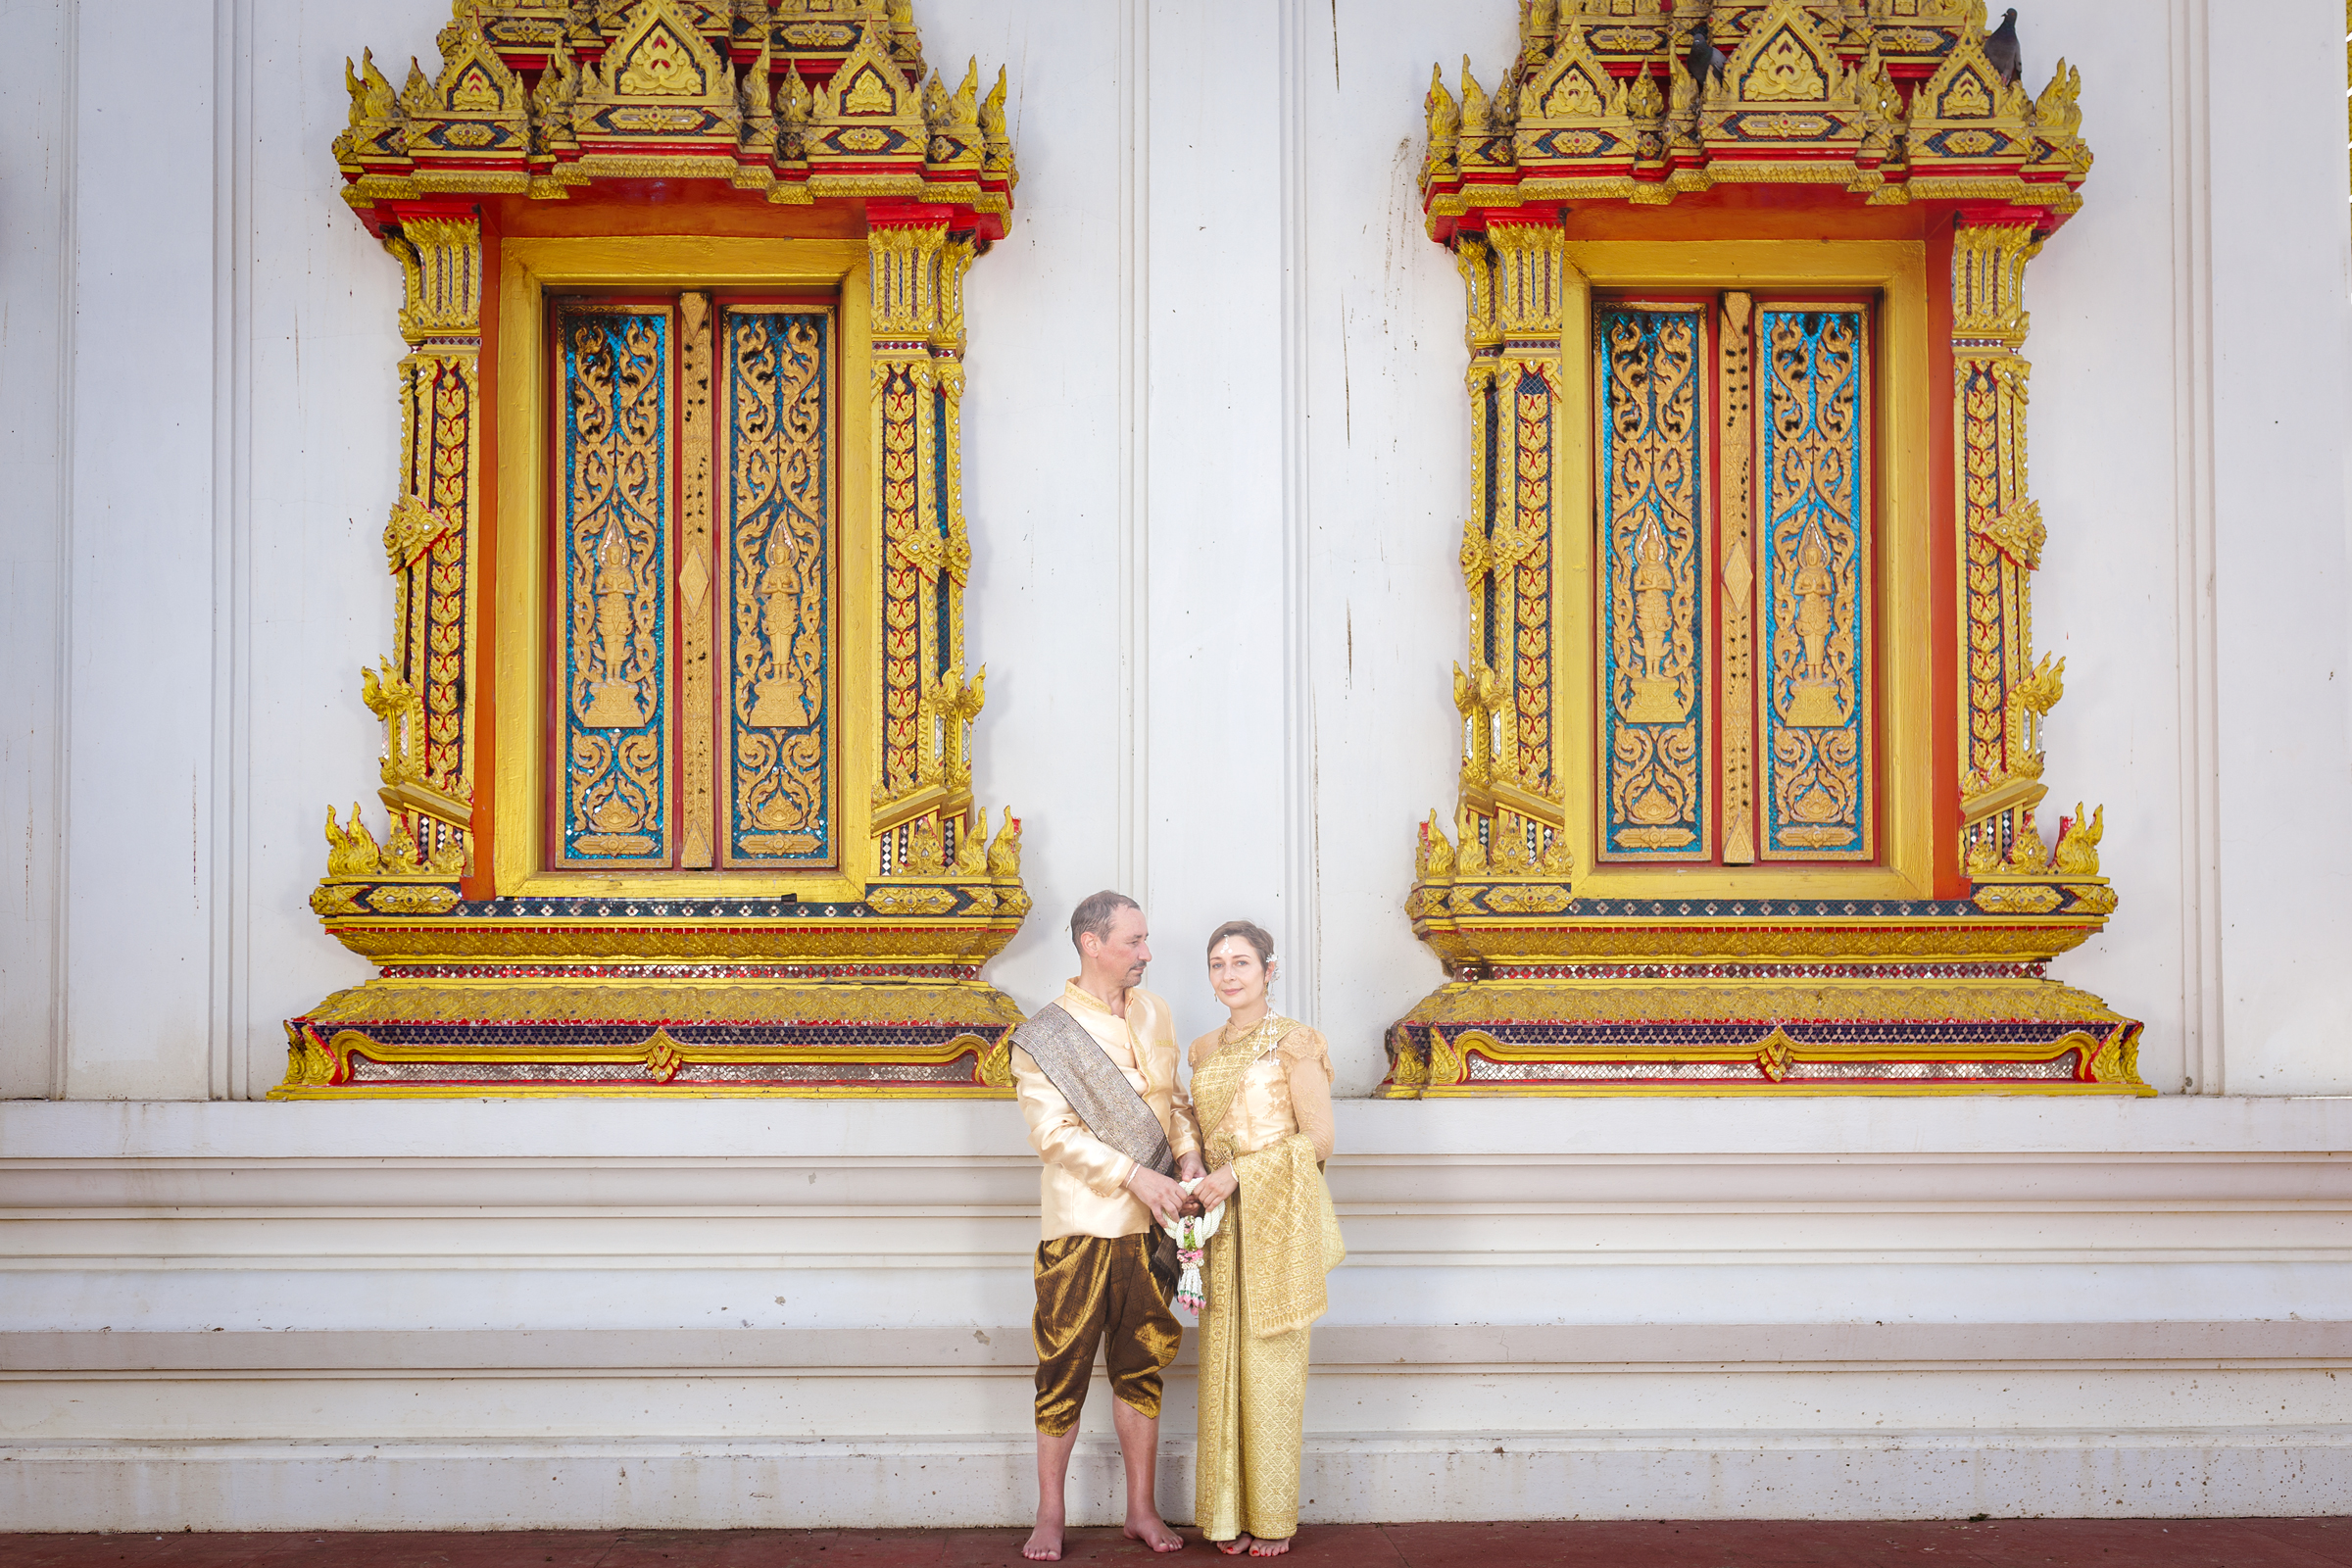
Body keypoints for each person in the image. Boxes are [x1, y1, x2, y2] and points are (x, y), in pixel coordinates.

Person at [1008, 890, 1206, 1561]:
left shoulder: (1155, 1012)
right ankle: (1050, 1513)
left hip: (1155, 1227)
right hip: (1080, 1229)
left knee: (1142, 1366)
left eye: (1145, 941)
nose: (1146, 955)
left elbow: (1173, 1102)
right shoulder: (1045, 1035)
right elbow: (1053, 1136)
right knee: (1061, 1369)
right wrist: (1136, 1176)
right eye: (1133, 942)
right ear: (1091, 944)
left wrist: (1187, 1159)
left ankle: (1142, 1511)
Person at [1184, 920, 1345, 1557]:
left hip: (1276, 1220)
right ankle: (1227, 1516)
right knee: (1221, 1368)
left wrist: (1239, 1174)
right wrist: (1196, 1180)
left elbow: (1321, 1139)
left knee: (1272, 1367)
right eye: (1218, 964)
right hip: (1220, 1227)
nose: (1229, 975)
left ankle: (1272, 1517)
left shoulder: (1296, 1044)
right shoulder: (1199, 1051)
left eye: (1242, 963)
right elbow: (1196, 1138)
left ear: (1269, 971)